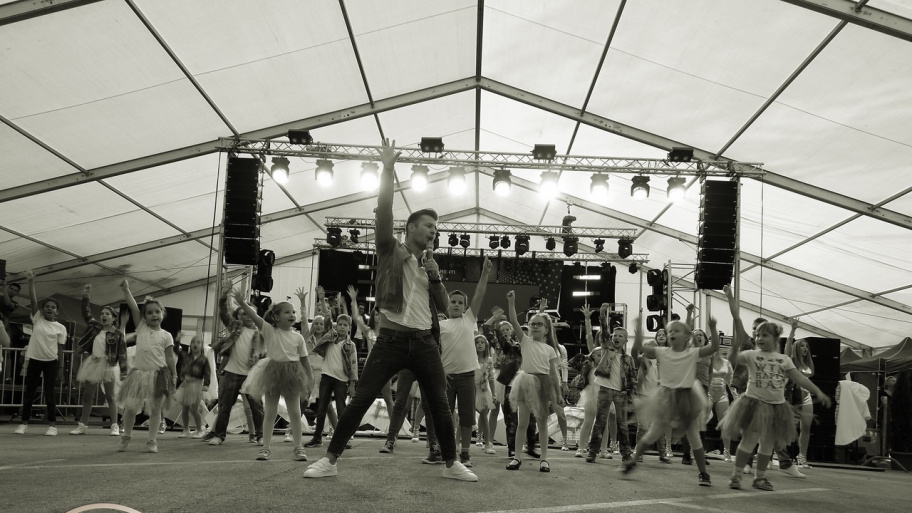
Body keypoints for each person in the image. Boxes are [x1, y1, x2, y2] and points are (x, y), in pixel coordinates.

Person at [304, 138, 476, 482]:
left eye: (436, 228)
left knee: (440, 405)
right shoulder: (389, 249)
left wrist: (436, 277)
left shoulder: (431, 267)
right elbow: (384, 213)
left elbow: (447, 308)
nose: (433, 231)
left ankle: (451, 463)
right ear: (411, 228)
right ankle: (330, 460)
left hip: (425, 343)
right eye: (428, 226)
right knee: (361, 399)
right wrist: (387, 170)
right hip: (391, 340)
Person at [721, 285, 832, 491]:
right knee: (749, 440)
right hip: (754, 404)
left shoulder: (784, 359)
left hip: (777, 406)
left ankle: (760, 477)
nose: (759, 338)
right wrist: (734, 347)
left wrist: (818, 392)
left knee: (768, 443)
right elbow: (734, 358)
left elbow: (799, 378)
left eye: (764, 335)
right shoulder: (752, 355)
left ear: (775, 338)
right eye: (757, 335)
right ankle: (736, 475)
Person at [623, 315, 720, 487]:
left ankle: (703, 473)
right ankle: (633, 460)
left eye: (676, 330)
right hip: (666, 398)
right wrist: (638, 333)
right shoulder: (662, 352)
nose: (672, 333)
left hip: (686, 399)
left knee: (694, 437)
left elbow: (714, 347)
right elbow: (639, 348)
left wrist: (713, 328)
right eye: (670, 331)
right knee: (653, 432)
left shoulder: (693, 353)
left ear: (687, 336)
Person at [424, 256, 493, 468]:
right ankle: (439, 450)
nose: (456, 304)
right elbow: (434, 352)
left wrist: (485, 273)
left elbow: (480, 294)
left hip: (466, 376)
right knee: (442, 416)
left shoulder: (469, 320)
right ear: (447, 305)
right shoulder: (440, 326)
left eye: (460, 302)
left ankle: (465, 453)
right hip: (445, 377)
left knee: (466, 417)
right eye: (453, 302)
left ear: (465, 307)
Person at [236, 293, 313, 461]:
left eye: (293, 312)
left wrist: (310, 379)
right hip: (272, 374)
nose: (292, 315)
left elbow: (305, 360)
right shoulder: (270, 331)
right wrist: (242, 303)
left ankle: (298, 447)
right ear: (276, 317)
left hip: (293, 375)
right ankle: (265, 448)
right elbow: (255, 317)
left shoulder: (298, 337)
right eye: (287, 312)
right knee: (270, 412)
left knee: (295, 413)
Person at [505, 290, 563, 473]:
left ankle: (544, 459)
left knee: (542, 424)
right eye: (532, 324)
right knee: (522, 423)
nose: (535, 327)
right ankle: (517, 457)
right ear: (529, 327)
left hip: (543, 384)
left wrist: (558, 394)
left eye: (539, 325)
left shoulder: (550, 350)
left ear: (547, 329)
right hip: (525, 382)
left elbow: (553, 374)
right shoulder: (525, 341)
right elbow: (514, 321)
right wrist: (512, 303)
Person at [116, 279, 178, 453]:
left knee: (155, 409)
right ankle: (126, 436)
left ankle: (152, 440)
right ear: (144, 317)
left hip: (158, 375)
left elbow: (169, 357)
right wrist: (126, 290)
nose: (154, 315)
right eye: (149, 313)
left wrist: (174, 375)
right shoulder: (142, 327)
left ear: (162, 314)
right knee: (130, 408)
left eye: (157, 312)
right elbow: (134, 307)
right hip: (138, 375)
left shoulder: (166, 335)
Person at [206, 280, 265, 446]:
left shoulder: (261, 332)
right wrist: (224, 296)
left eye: (250, 313)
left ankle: (260, 436)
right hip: (232, 373)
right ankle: (219, 435)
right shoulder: (235, 327)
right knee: (225, 407)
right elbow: (224, 313)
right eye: (244, 313)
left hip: (252, 375)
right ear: (239, 316)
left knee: (257, 408)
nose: (247, 316)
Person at [13, 271, 68, 436]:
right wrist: (31, 281)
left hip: (51, 362)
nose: (49, 309)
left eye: (53, 307)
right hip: (34, 360)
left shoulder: (61, 328)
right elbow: (33, 300)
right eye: (47, 306)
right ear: (42, 310)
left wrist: (60, 369)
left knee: (49, 393)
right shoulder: (37, 319)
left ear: (57, 311)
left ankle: (52, 425)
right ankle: (23, 423)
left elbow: (60, 349)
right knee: (30, 392)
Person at [70, 284, 127, 436]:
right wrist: (86, 296)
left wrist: (124, 372)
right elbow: (86, 312)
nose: (104, 316)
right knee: (88, 396)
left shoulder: (117, 334)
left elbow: (122, 353)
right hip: (93, 363)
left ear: (113, 318)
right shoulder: (94, 327)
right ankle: (83, 425)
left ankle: (114, 425)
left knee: (110, 396)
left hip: (108, 365)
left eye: (107, 314)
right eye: (102, 313)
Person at [584, 320, 637, 465]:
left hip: (621, 393)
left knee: (622, 424)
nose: (616, 337)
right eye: (615, 335)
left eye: (620, 336)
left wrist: (633, 395)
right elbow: (604, 333)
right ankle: (592, 452)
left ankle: (626, 454)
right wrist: (602, 316)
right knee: (600, 422)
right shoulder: (606, 350)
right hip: (605, 390)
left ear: (626, 340)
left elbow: (633, 378)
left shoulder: (628, 358)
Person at [305, 313, 358, 449]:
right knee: (321, 409)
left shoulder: (350, 345)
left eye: (345, 325)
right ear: (336, 326)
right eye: (339, 324)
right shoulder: (330, 337)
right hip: (326, 376)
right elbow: (327, 320)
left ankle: (342, 439)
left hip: (341, 380)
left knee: (341, 410)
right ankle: (317, 437)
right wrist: (323, 303)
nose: (342, 327)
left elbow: (353, 365)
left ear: (349, 328)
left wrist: (352, 384)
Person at [786, 318, 815, 468]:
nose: (805, 348)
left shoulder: (808, 364)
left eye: (806, 346)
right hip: (793, 398)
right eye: (802, 346)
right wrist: (792, 331)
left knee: (806, 428)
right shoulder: (791, 360)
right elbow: (787, 349)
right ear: (797, 348)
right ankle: (777, 454)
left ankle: (802, 456)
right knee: (788, 428)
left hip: (807, 397)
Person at [174, 335, 212, 438]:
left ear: (202, 346)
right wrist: (177, 341)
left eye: (198, 342)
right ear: (190, 345)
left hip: (197, 385)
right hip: (186, 385)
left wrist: (206, 385)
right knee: (185, 408)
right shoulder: (186, 356)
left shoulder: (203, 359)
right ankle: (186, 429)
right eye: (193, 342)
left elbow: (207, 373)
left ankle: (200, 430)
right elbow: (176, 351)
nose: (195, 344)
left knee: (194, 408)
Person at [708, 349, 734, 461]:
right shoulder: (707, 361)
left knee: (725, 424)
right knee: (702, 421)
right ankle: (694, 449)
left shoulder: (726, 362)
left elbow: (731, 380)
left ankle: (727, 451)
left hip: (722, 395)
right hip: (708, 393)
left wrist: (736, 396)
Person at [474, 334, 496, 454]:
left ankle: (487, 444)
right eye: (477, 342)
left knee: (484, 417)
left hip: (483, 390)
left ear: (486, 345)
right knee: (465, 417)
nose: (480, 344)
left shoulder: (489, 360)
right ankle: (457, 443)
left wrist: (494, 394)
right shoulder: (471, 358)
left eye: (482, 342)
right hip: (472, 389)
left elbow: (491, 378)